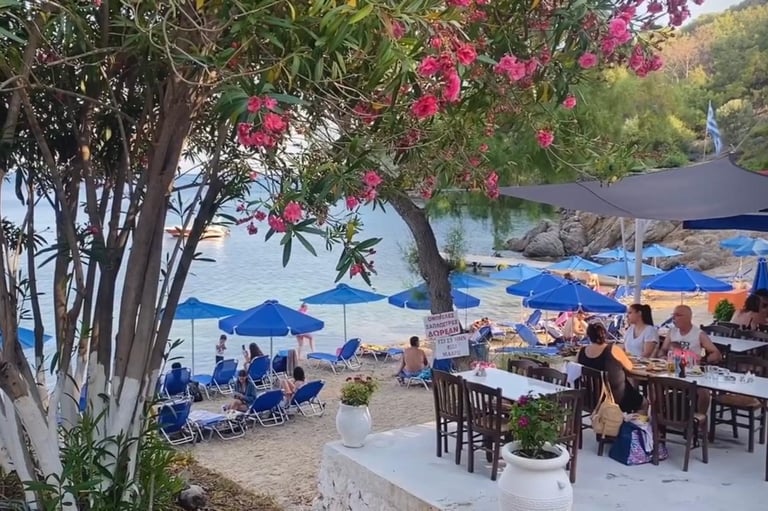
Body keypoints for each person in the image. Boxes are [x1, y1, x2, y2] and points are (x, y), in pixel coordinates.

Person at [578, 323, 647, 413]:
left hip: (591, 398)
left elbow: (576, 370)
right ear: (604, 334)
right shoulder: (613, 350)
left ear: (589, 336)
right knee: (644, 404)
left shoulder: (581, 352)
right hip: (615, 398)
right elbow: (629, 367)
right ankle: (634, 422)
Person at [657, 305, 722, 365]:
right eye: (673, 315)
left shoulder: (699, 334)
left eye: (678, 315)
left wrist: (703, 361)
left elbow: (716, 353)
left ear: (688, 317)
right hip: (672, 368)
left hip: (691, 369)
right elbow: (663, 350)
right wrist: (662, 357)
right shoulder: (672, 332)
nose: (673, 318)